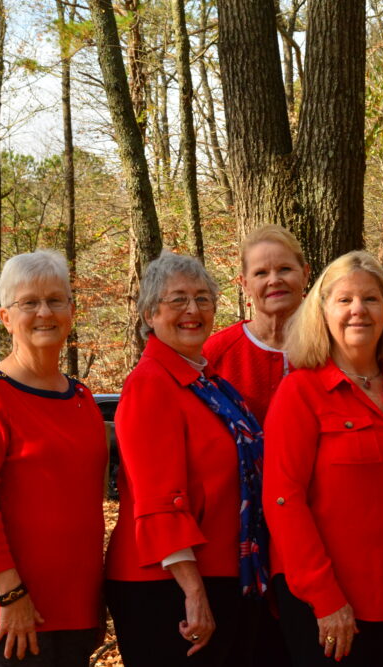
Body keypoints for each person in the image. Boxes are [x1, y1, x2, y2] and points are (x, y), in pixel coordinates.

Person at [263, 251, 383, 666]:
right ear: (322, 313)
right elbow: (283, 500)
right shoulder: (300, 392)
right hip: (329, 605)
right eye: (344, 300)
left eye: (371, 299)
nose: (358, 310)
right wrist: (325, 599)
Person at [105, 251, 269, 667]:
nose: (193, 310)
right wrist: (194, 593)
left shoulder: (210, 385)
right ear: (149, 313)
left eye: (203, 298)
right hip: (166, 585)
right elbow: (159, 500)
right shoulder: (151, 385)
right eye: (177, 299)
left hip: (222, 575)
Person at [0, 250, 107, 666]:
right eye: (29, 303)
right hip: (6, 616)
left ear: (71, 310)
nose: (45, 312)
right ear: (5, 317)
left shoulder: (82, 399)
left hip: (74, 612)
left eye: (56, 300)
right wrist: (10, 591)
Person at [204, 224, 311, 425]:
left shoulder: (333, 346)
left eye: (285, 269)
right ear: (245, 284)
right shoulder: (215, 353)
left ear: (305, 274)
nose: (274, 280)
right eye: (261, 273)